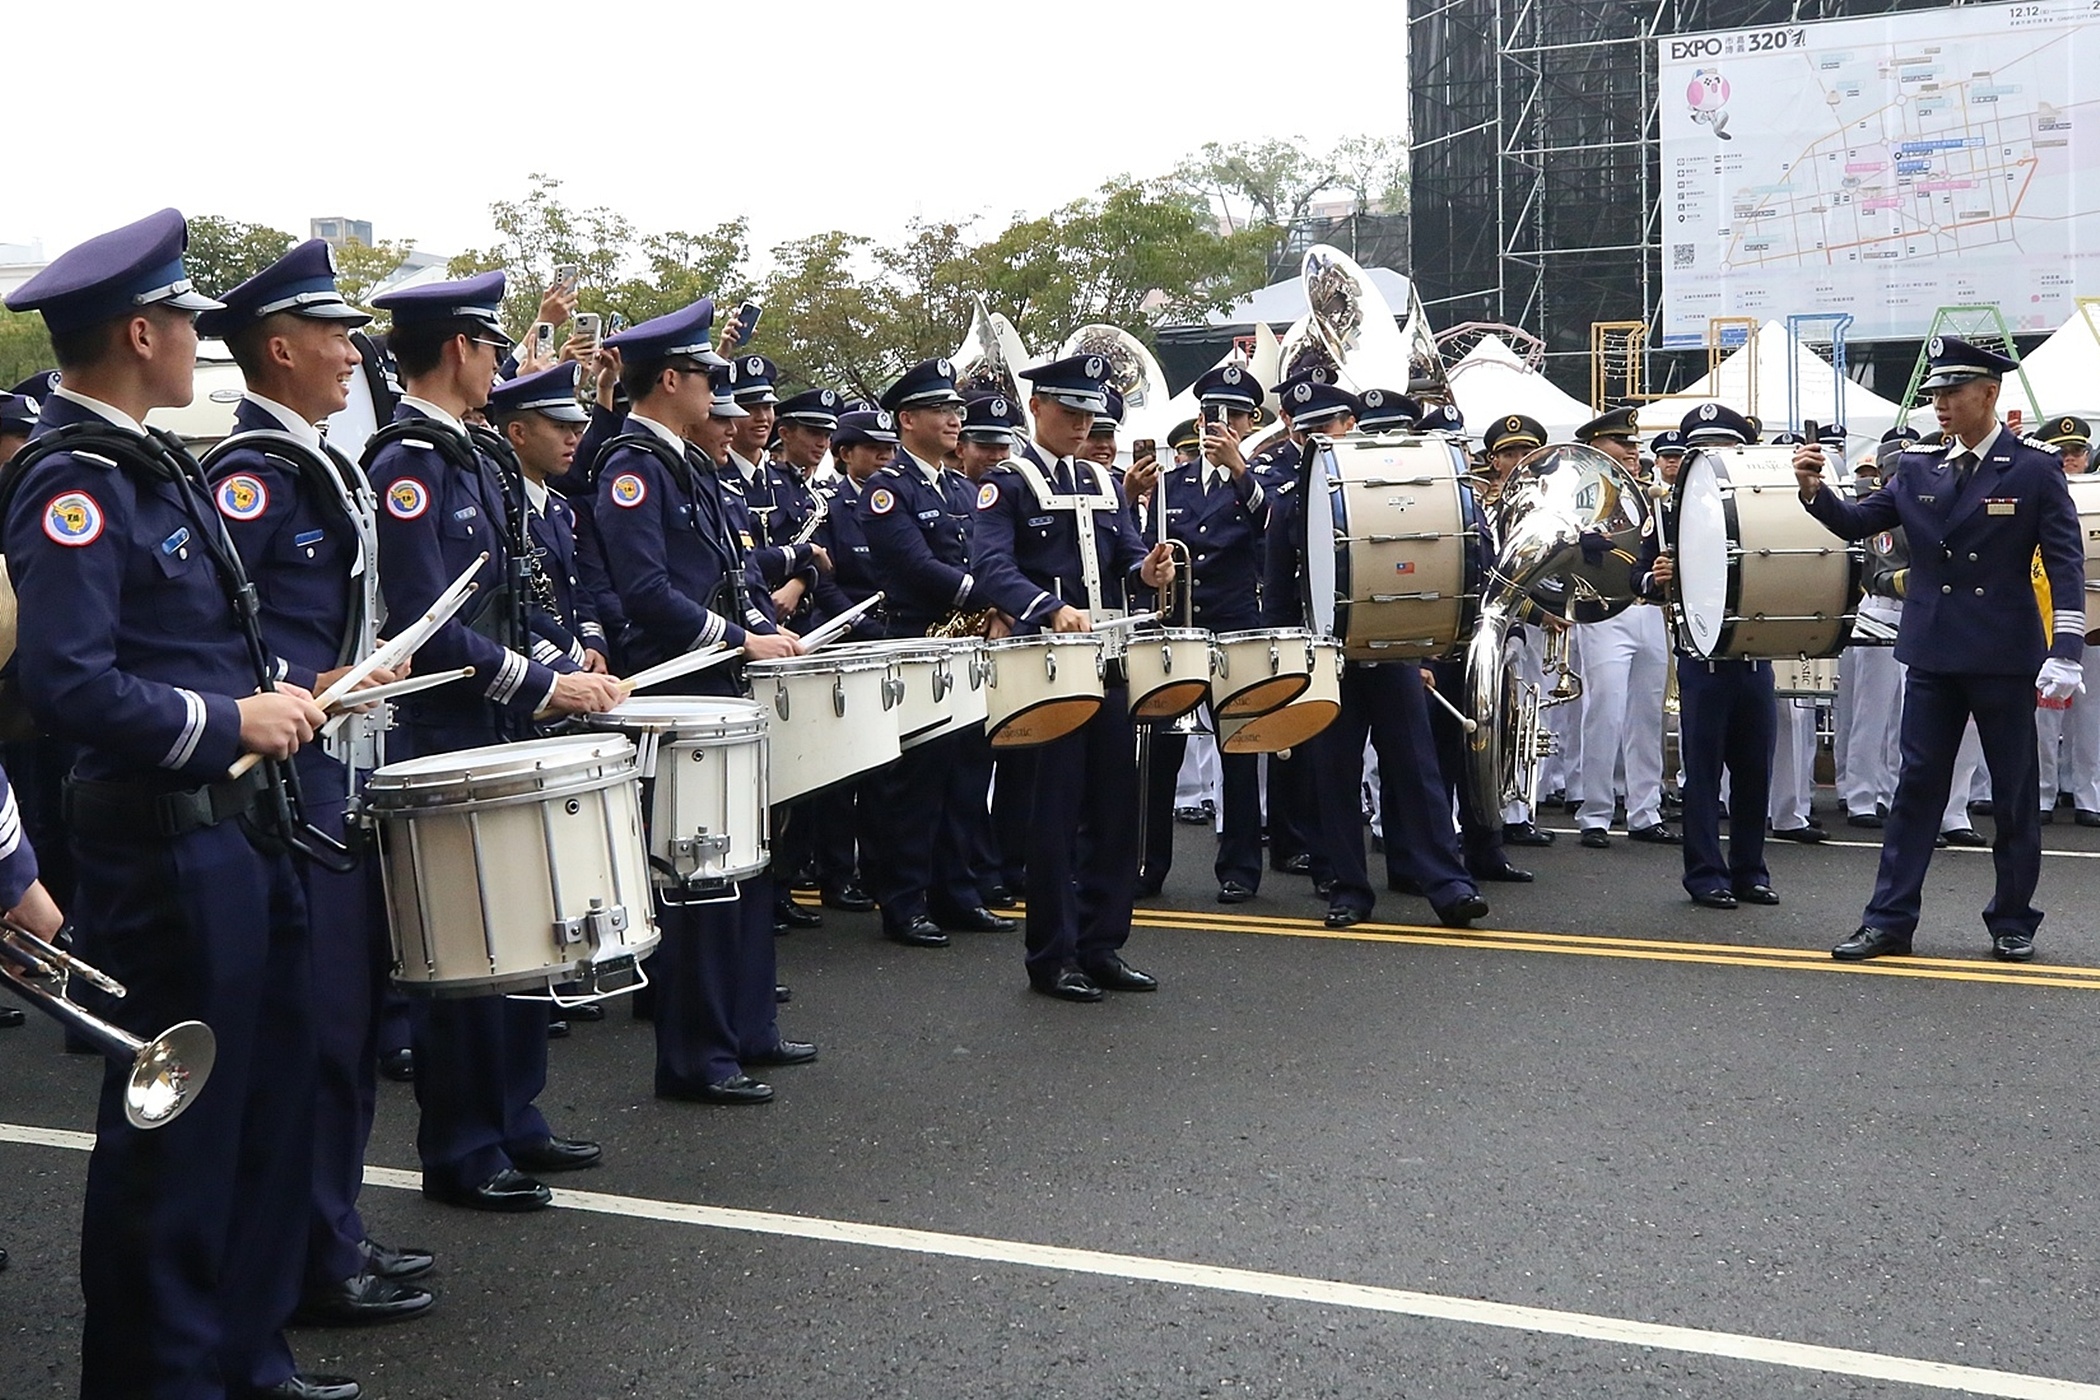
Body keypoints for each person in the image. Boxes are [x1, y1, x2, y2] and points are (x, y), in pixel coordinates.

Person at [3, 208, 356, 1399]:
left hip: (241, 837)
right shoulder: (75, 481)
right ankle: (163, 1377)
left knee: (263, 1109)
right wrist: (229, 721)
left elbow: (188, 643)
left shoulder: (151, 457)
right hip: (167, 851)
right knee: (178, 1137)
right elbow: (65, 679)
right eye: (192, 318)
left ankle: (247, 1355)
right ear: (141, 330)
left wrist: (286, 692)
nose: (205, 334)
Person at [195, 240, 437, 1328]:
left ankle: (329, 1229)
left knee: (345, 1024)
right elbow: (210, 632)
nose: (354, 351)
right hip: (297, 780)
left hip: (341, 763)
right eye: (337, 335)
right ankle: (310, 1254)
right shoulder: (251, 469)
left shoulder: (320, 458)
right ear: (280, 349)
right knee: (323, 1031)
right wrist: (304, 683)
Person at [365, 270, 624, 1210]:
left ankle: (515, 1115)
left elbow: (516, 596)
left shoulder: (467, 451)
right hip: (445, 724)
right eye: (489, 347)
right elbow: (425, 619)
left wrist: (560, 671)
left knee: (520, 924)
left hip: (500, 712)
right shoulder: (407, 462)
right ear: (459, 351)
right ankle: (463, 1146)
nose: (500, 364)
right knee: (465, 946)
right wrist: (543, 683)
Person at [1794, 337, 2085, 961]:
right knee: (1916, 790)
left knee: (2011, 792)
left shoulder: (2033, 468)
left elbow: (2065, 563)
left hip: (2004, 654)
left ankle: (2012, 918)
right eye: (1935, 394)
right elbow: (1857, 523)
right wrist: (1815, 491)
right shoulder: (1919, 467)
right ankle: (1889, 919)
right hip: (1930, 651)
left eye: (1953, 392)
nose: (1941, 405)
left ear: (1989, 392)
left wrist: (2065, 648)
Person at [591, 299, 812, 1103]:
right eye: (708, 377)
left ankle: (748, 1027)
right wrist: (739, 638)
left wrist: (767, 629)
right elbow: (646, 591)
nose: (720, 394)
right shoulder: (631, 467)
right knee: (697, 877)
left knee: (745, 864)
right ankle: (697, 1057)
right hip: (677, 688)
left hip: (720, 683)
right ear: (672, 379)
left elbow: (735, 575)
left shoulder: (690, 464)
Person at [970, 353, 1177, 1000]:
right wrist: (1049, 609)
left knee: (1117, 810)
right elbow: (991, 566)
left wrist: (1149, 571)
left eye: (1089, 412)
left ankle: (1103, 943)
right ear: (1036, 408)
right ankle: (1052, 955)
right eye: (1069, 411)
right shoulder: (1006, 482)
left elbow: (1124, 554)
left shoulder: (1102, 479)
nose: (1081, 423)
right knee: (1053, 817)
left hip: (1110, 662)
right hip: (1049, 668)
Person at [1263, 376, 1490, 931]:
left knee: (1418, 771)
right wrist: (1290, 666)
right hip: (1326, 657)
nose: (1323, 434)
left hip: (1391, 652)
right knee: (1334, 778)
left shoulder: (1388, 489)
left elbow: (1423, 565)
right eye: (1310, 427)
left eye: (1331, 424)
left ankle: (1449, 884)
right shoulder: (1291, 500)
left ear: (1349, 426)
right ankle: (1348, 888)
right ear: (1295, 431)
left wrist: (1426, 655)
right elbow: (1278, 591)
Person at [858, 358, 1013, 945]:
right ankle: (904, 900)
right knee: (915, 781)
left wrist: (995, 601)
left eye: (955, 409)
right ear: (907, 419)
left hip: (970, 641)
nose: (955, 419)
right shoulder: (884, 490)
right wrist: (993, 596)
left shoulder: (958, 487)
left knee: (967, 775)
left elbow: (981, 555)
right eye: (941, 410)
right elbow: (915, 566)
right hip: (919, 638)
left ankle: (958, 891)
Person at [1138, 364, 1268, 902]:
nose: (1220, 427)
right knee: (1159, 748)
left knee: (1237, 748)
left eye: (1232, 417)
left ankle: (1239, 868)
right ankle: (1149, 865)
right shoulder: (1173, 483)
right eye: (1212, 416)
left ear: (1250, 422)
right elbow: (1146, 549)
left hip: (1234, 628)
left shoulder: (1257, 481)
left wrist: (1241, 471)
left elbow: (1275, 529)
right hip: (1179, 630)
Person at [1641, 405, 1780, 910]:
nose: (1713, 457)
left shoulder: (1760, 508)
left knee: (1753, 771)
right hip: (1702, 658)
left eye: (1724, 447)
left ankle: (1749, 871)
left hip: (1752, 654)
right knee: (1701, 774)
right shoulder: (1667, 511)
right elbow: (1636, 576)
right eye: (1705, 449)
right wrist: (1654, 578)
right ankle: (1705, 875)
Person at [1569, 407, 1675, 849]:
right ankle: (1594, 811)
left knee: (1647, 715)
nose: (1633, 451)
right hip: (1604, 610)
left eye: (1633, 444)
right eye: (1622, 443)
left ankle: (1644, 810)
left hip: (1648, 608)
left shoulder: (1651, 494)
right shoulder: (1578, 493)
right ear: (1597, 447)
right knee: (1605, 710)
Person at [802, 405, 890, 913]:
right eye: (872, 449)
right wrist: (862, 628)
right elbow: (827, 582)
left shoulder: (895, 500)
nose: (884, 456)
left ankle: (873, 867)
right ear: (844, 454)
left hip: (887, 640)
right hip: (844, 640)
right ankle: (835, 873)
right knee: (841, 773)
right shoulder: (828, 506)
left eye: (889, 449)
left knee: (882, 767)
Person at [2033, 414, 2100, 824]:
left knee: (2091, 712)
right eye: (2062, 453)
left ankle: (2088, 794)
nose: (2071, 459)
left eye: (2077, 452)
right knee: (2044, 711)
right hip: (2047, 609)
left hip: (2093, 612)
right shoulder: (2037, 492)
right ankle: (2042, 793)